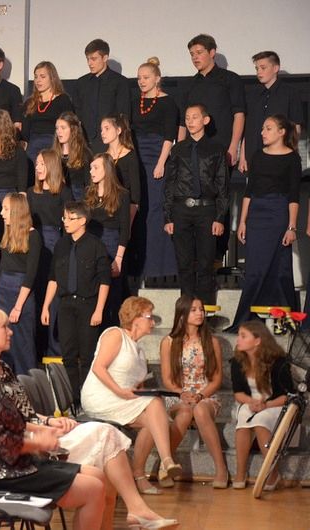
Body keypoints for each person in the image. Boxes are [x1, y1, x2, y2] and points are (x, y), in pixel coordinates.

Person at [0, 306, 178, 530]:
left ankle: (135, 510)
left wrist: (49, 421)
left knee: (106, 452)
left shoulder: (3, 368)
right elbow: (2, 432)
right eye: (5, 327)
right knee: (105, 442)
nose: (11, 331)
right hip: (20, 457)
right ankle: (137, 508)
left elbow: (23, 413)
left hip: (35, 436)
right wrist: (42, 432)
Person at [0, 314, 105, 530]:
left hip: (10, 467)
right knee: (93, 489)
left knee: (97, 476)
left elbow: (12, 419)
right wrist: (39, 443)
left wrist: (43, 430)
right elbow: (2, 443)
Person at [81, 297, 182, 496]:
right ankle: (165, 461)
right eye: (149, 317)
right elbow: (98, 368)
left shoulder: (140, 351)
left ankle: (140, 475)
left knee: (153, 420)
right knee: (155, 405)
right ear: (135, 318)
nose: (153, 322)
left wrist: (138, 389)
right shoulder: (115, 334)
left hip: (124, 397)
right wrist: (119, 391)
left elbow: (133, 382)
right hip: (101, 395)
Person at [230, 115, 301, 330]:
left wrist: (291, 227)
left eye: (268, 128)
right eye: (262, 128)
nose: (262, 132)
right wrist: (242, 221)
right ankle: (249, 321)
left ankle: (283, 321)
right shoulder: (258, 155)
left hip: (278, 213)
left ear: (281, 132)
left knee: (280, 267)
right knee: (255, 267)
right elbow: (249, 191)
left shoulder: (292, 158)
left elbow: (294, 195)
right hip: (256, 215)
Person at [41, 201, 109, 403]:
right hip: (65, 305)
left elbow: (104, 281)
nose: (66, 222)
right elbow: (53, 277)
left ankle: (88, 398)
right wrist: (46, 306)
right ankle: (74, 399)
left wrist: (99, 310)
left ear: (82, 221)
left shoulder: (96, 246)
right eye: (64, 218)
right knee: (68, 355)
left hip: (88, 305)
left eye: (71, 218)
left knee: (87, 356)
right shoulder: (61, 245)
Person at [157, 295, 227, 488]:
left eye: (201, 309)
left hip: (206, 394)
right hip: (178, 394)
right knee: (186, 411)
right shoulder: (169, 342)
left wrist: (201, 395)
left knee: (201, 409)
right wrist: (181, 393)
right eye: (194, 310)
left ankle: (221, 469)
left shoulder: (212, 341)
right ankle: (166, 465)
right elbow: (167, 379)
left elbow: (217, 379)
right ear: (182, 314)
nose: (200, 313)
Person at [164, 104, 229, 304]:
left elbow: (222, 185)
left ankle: (204, 310)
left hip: (206, 209)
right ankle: (186, 311)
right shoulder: (178, 149)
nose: (190, 121)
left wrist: (219, 217)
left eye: (195, 117)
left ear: (205, 120)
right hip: (181, 209)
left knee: (206, 263)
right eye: (187, 118)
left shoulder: (217, 149)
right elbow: (169, 184)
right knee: (184, 263)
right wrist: (168, 217)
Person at [131, 57, 179, 279]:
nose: (142, 81)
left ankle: (159, 268)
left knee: (155, 210)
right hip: (137, 157)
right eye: (139, 78)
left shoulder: (168, 103)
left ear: (157, 78)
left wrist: (161, 163)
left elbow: (169, 136)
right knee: (138, 209)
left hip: (156, 157)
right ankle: (138, 266)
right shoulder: (135, 101)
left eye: (146, 77)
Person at [230, 320, 293, 490]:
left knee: (261, 419)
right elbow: (238, 393)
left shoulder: (278, 361)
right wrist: (252, 402)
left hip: (275, 404)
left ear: (257, 340)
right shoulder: (237, 361)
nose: (238, 339)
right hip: (252, 403)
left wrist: (266, 404)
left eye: (243, 336)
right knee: (244, 415)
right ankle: (240, 472)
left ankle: (272, 473)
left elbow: (288, 396)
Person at [28, 150, 73, 355]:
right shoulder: (30, 192)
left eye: (42, 164)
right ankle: (36, 348)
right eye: (37, 164)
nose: (38, 168)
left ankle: (54, 349)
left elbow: (68, 225)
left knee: (52, 295)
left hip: (55, 245)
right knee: (35, 292)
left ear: (52, 166)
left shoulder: (63, 192)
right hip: (34, 246)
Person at [178, 34, 245, 168]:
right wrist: (179, 149)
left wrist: (234, 147)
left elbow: (239, 114)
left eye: (199, 52)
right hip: (194, 150)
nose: (195, 57)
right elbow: (182, 122)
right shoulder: (189, 84)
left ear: (212, 52)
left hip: (222, 147)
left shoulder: (230, 79)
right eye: (192, 54)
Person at [0, 193, 41, 375]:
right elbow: (0, 270)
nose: (1, 213)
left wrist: (18, 307)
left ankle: (27, 385)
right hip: (3, 292)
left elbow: (30, 275)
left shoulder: (33, 236)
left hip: (20, 295)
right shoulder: (7, 235)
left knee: (22, 345)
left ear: (17, 211)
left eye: (6, 209)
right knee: (1, 344)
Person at [86, 152, 131, 326]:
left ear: (107, 170)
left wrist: (118, 258)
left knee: (112, 297)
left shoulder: (122, 195)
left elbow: (124, 229)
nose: (91, 171)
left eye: (95, 168)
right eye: (91, 168)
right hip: (91, 246)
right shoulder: (88, 194)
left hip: (111, 247)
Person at [240, 51, 303, 172]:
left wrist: (291, 154)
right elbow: (247, 130)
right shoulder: (252, 95)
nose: (259, 72)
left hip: (280, 159)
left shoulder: (290, 93)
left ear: (275, 68)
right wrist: (242, 156)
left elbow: (296, 127)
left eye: (263, 68)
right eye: (257, 68)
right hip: (253, 158)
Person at [72, 39, 131, 152]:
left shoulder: (120, 82)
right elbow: (76, 112)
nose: (90, 63)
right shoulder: (81, 83)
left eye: (94, 59)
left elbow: (124, 114)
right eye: (88, 59)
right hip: (84, 142)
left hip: (110, 142)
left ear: (105, 58)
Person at [21, 61, 74, 159]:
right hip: (33, 143)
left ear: (52, 78)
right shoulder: (30, 102)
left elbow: (69, 125)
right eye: (36, 77)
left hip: (54, 141)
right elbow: (25, 130)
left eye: (42, 77)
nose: (38, 80)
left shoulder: (62, 99)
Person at [101, 114, 141, 214]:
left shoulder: (130, 155)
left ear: (118, 130)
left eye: (107, 129)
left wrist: (132, 210)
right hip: (107, 205)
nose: (102, 133)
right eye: (101, 130)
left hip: (125, 206)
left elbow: (135, 189)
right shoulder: (103, 157)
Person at [52, 111, 92, 200]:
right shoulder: (54, 153)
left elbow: (88, 183)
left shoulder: (84, 153)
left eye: (63, 128)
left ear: (73, 130)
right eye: (57, 128)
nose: (59, 131)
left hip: (79, 198)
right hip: (58, 197)